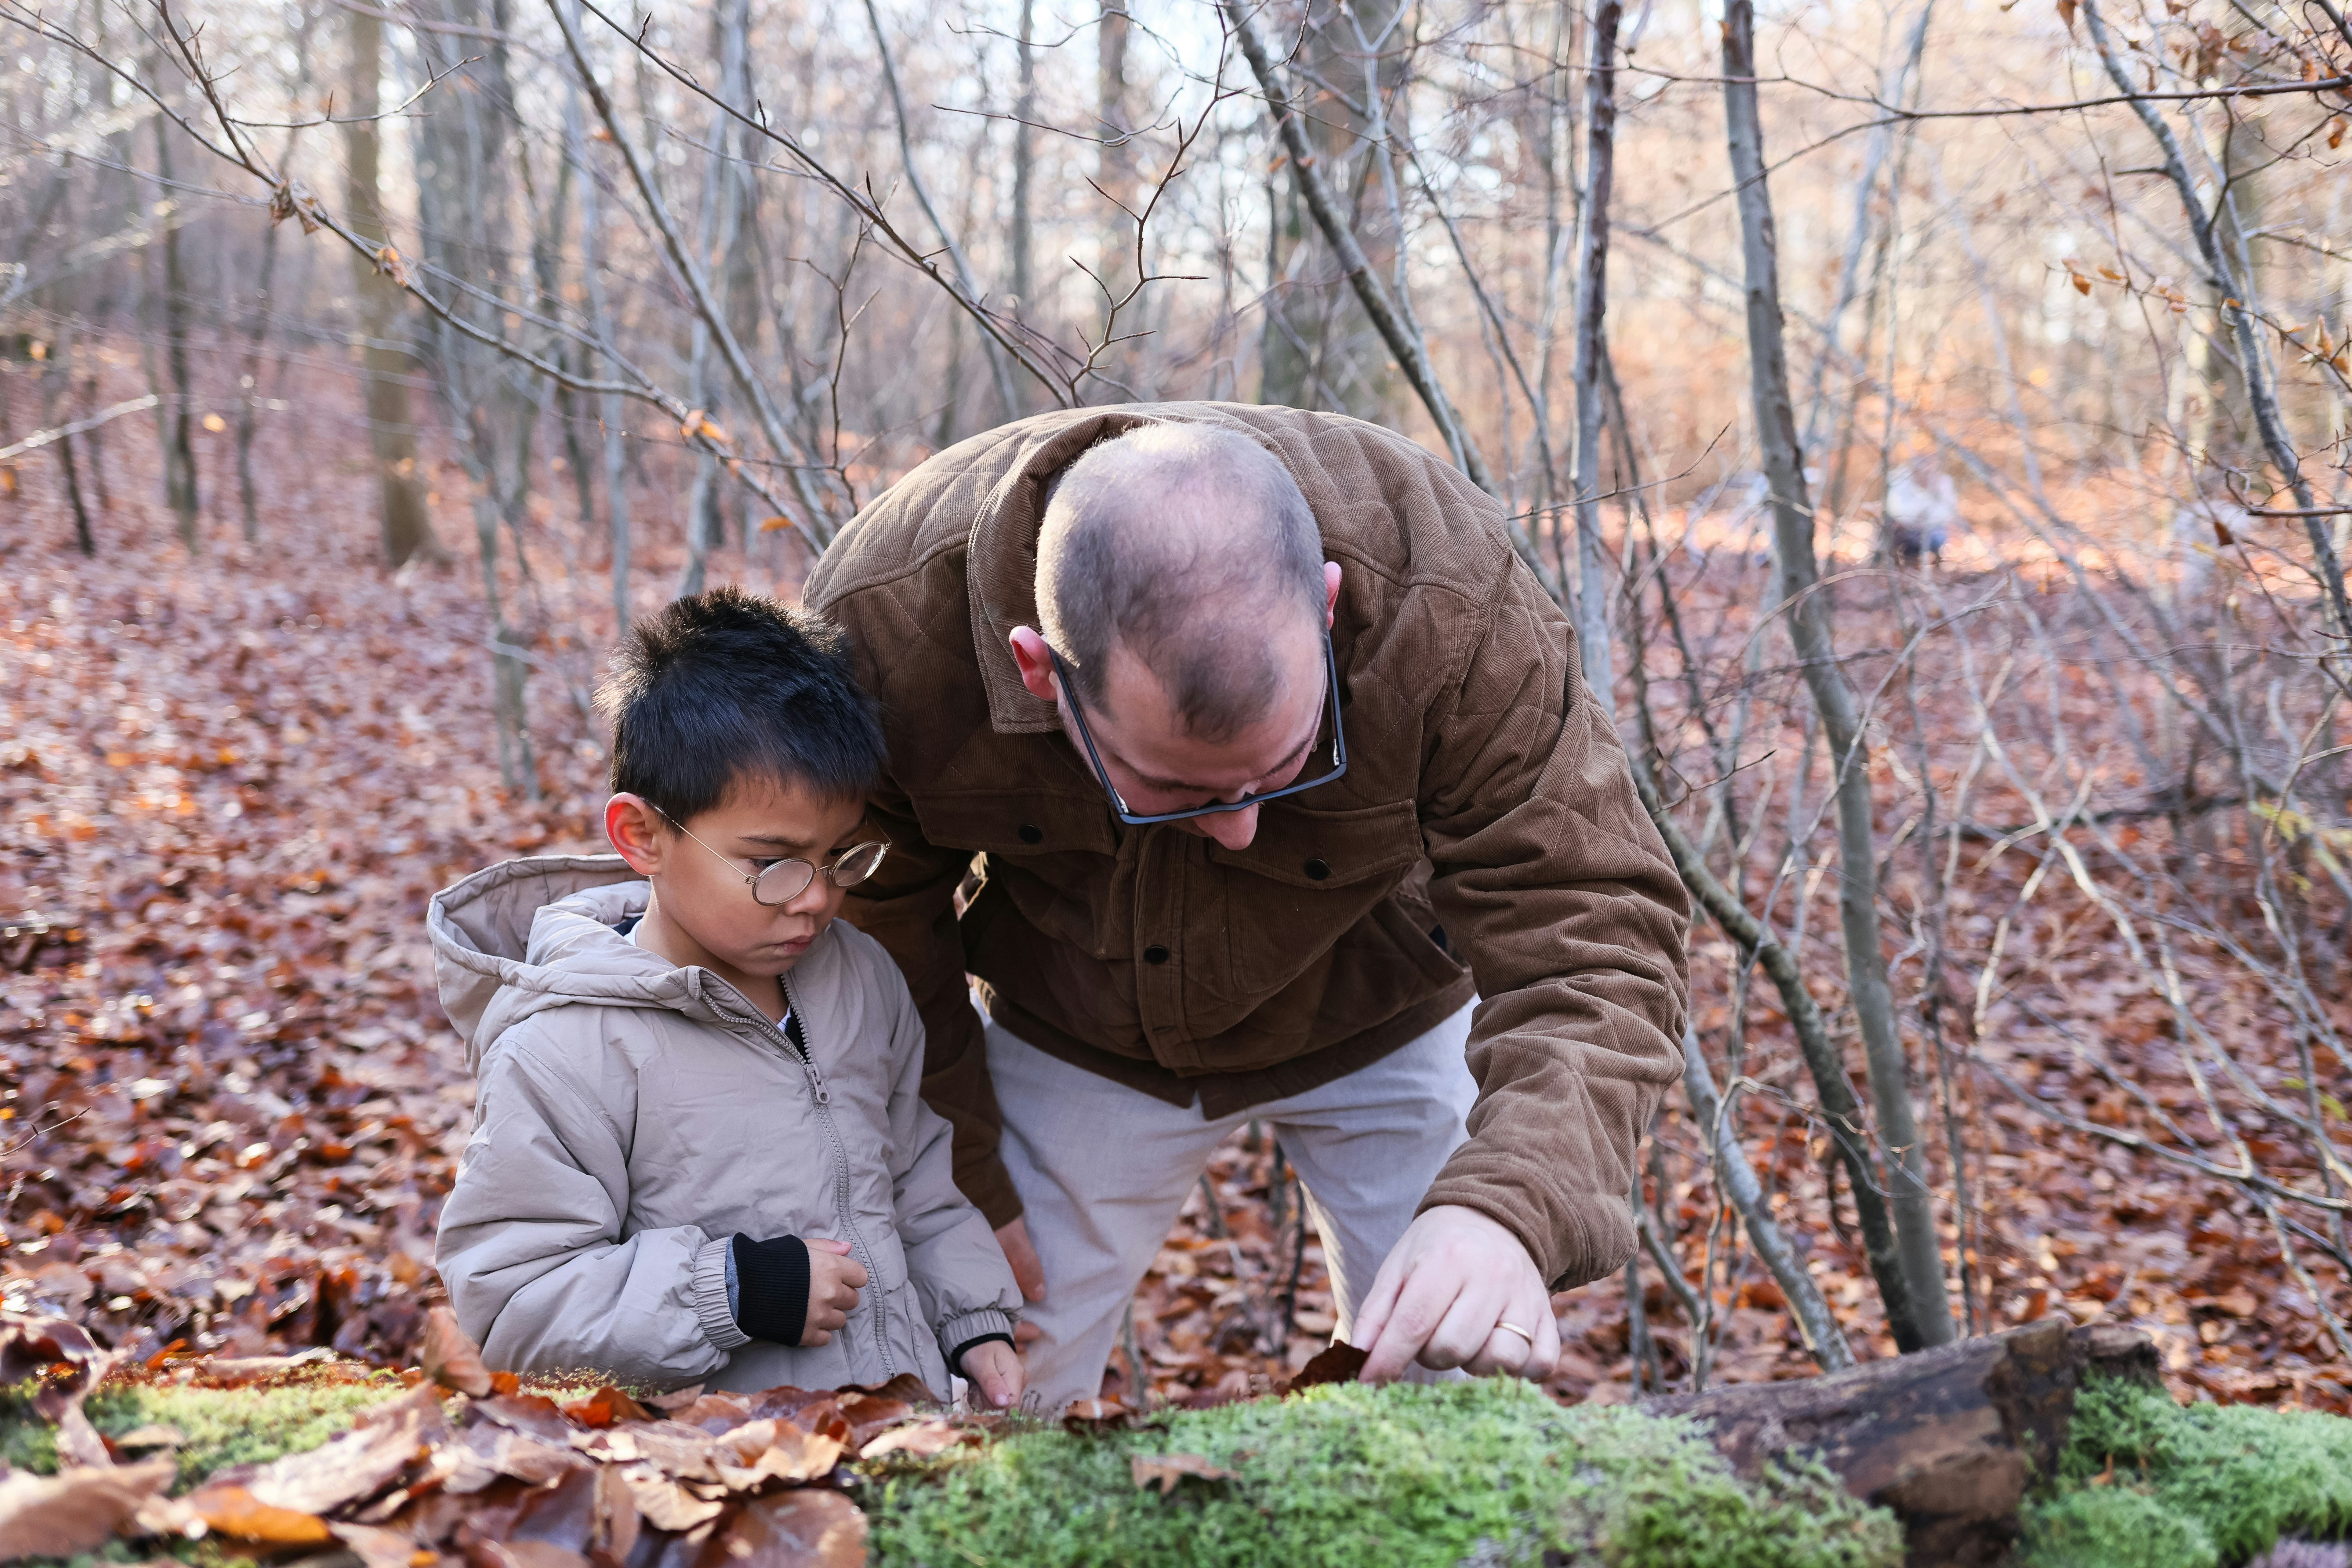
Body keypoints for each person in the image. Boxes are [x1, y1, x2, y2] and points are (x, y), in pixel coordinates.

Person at [806, 406, 1691, 1412]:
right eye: (1173, 790)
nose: (1235, 830)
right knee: (982, 1385)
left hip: (1383, 1000)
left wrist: (1509, 1206)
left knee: (1452, 1385)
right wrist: (954, 1167)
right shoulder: (885, 625)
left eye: (1284, 768)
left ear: (1325, 606)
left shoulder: (1443, 595)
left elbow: (1593, 921)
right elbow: (866, 927)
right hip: (1075, 1023)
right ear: (1040, 670)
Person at [430, 587, 1024, 1405]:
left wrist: (971, 1321)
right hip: (721, 1483)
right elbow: (513, 1300)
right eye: (772, 860)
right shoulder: (568, 1049)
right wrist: (734, 1289)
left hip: (905, 1430)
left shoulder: (860, 979)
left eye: (840, 855)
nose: (814, 895)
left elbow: (915, 1174)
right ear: (642, 835)